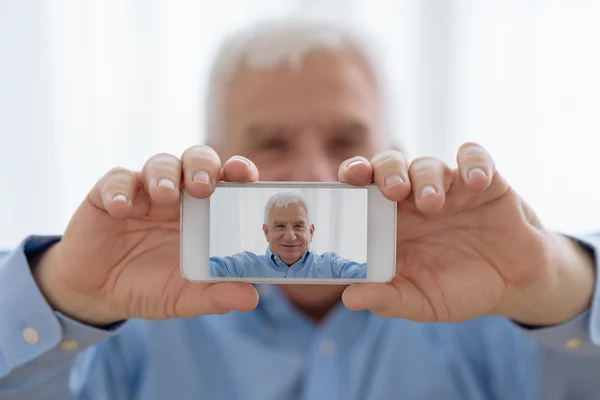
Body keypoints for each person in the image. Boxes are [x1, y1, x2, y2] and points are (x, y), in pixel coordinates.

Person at [0, 17, 599, 400]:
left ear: (397, 156)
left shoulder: (494, 310)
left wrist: (554, 284)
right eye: (271, 144)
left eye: (346, 142)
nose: (314, 174)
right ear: (214, 162)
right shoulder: (126, 324)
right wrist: (56, 294)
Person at [209, 191, 367, 278]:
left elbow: (368, 274)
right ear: (266, 231)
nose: (290, 236)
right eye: (280, 226)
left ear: (311, 232)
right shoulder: (243, 266)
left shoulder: (332, 267)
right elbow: (204, 269)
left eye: (298, 226)